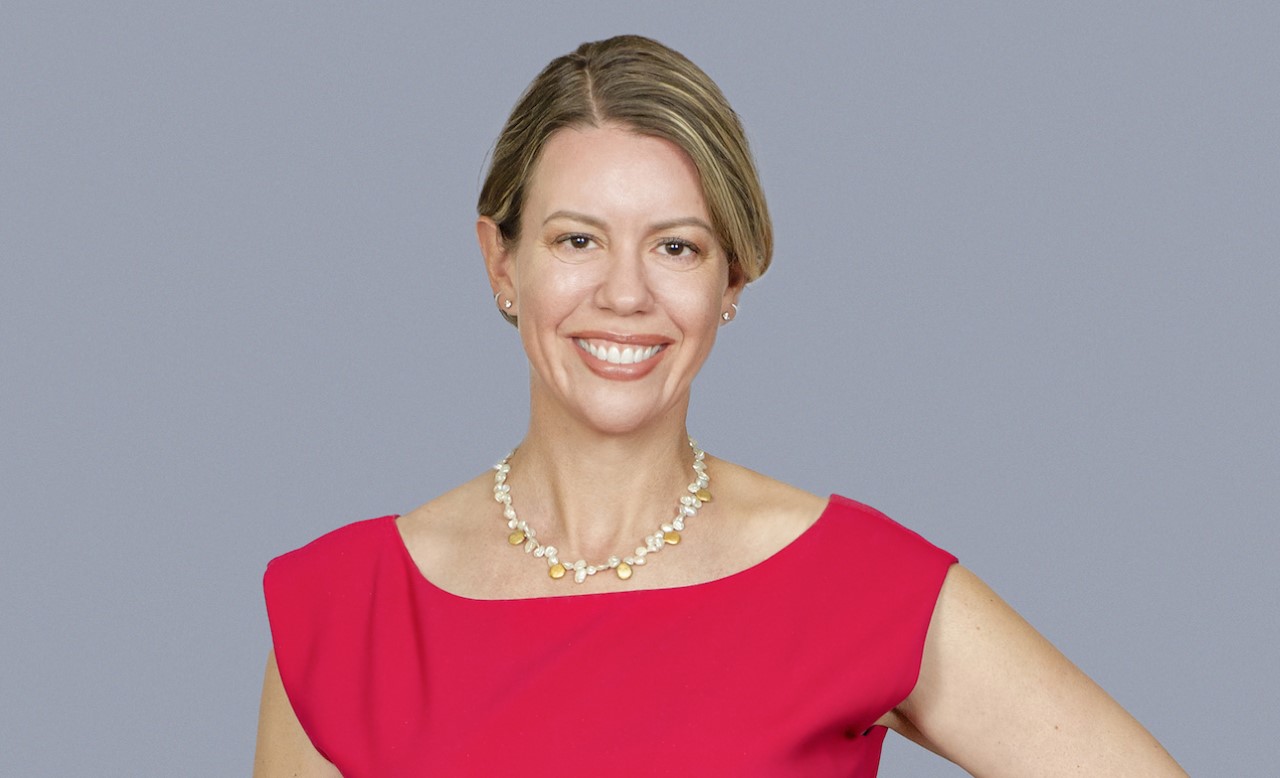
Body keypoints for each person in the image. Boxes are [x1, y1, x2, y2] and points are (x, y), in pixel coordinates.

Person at [254, 35, 1187, 777]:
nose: (625, 294)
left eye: (677, 248)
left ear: (733, 278)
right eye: (578, 239)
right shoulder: (345, 613)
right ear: (502, 263)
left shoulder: (855, 584)